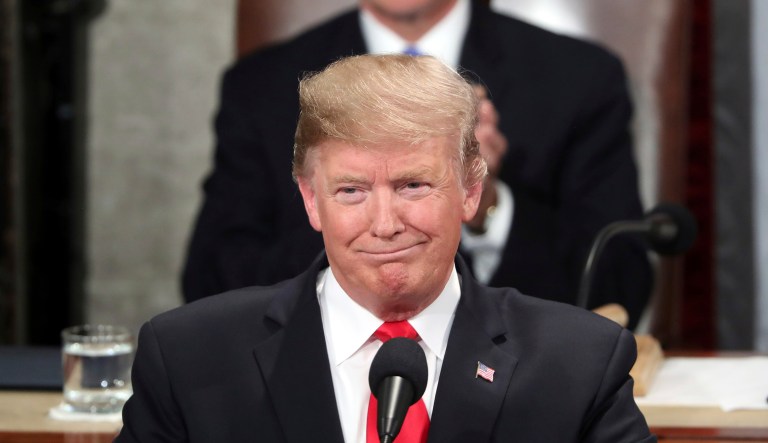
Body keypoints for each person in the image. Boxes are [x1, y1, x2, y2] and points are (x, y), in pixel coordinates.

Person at [117, 54, 655, 442]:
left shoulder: (581, 363)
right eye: (351, 191)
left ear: (470, 189)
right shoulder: (190, 358)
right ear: (310, 200)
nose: (384, 224)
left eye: (412, 186)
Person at [182, 0, 653, 328]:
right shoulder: (263, 84)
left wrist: (486, 206)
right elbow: (212, 281)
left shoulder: (577, 76)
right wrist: (353, 211)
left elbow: (619, 287)